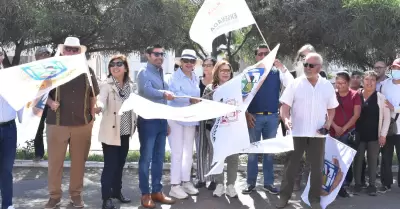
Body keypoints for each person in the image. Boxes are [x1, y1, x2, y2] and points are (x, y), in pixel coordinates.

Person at [44, 37, 100, 209]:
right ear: (62, 50)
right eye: (68, 49)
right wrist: (51, 103)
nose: (71, 52)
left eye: (75, 50)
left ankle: (76, 195)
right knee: (55, 163)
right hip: (57, 123)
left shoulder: (87, 70)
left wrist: (92, 114)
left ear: (80, 52)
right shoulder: (52, 69)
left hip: (82, 124)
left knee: (79, 163)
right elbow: (40, 92)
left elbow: (93, 95)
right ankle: (54, 196)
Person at [278, 53, 338, 209]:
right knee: (291, 167)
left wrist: (328, 124)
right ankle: (284, 197)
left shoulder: (326, 85)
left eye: (311, 65)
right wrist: (286, 120)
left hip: (318, 134)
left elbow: (331, 109)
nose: (307, 68)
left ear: (320, 68)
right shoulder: (295, 84)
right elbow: (284, 107)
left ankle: (315, 199)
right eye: (305, 64)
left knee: (317, 169)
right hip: (297, 133)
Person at [242, 44, 294, 195]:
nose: (263, 56)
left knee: (269, 152)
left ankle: (268, 183)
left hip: (272, 117)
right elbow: (243, 95)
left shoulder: (276, 72)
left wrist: (282, 67)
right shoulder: (250, 72)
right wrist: (246, 114)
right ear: (256, 56)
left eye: (266, 53)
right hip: (254, 117)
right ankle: (250, 183)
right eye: (260, 54)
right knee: (252, 152)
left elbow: (291, 85)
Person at [137, 44, 176, 208]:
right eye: (156, 54)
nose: (159, 57)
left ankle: (157, 192)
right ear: (148, 55)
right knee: (146, 159)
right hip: (147, 121)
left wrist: (166, 121)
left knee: (159, 158)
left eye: (162, 54)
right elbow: (146, 91)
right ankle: (145, 194)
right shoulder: (143, 73)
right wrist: (163, 93)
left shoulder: (161, 73)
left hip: (160, 121)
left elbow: (163, 102)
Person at [96, 55, 136, 209]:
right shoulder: (106, 85)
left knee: (120, 165)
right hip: (110, 133)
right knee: (110, 166)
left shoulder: (130, 86)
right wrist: (98, 107)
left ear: (125, 68)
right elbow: (101, 99)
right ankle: (106, 198)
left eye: (119, 64)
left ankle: (116, 192)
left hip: (125, 132)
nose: (115, 67)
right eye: (112, 64)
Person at [167, 49, 200, 199]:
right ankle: (175, 185)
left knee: (188, 152)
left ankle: (186, 181)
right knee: (177, 152)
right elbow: (171, 98)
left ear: (194, 64)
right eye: (186, 61)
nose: (188, 63)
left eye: (191, 61)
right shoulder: (173, 78)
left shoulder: (195, 77)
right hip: (175, 118)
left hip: (191, 118)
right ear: (180, 62)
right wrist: (189, 100)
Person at [202, 60, 239, 198]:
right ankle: (219, 184)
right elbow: (205, 108)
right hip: (214, 129)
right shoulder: (209, 88)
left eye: (228, 71)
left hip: (232, 128)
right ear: (217, 71)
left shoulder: (235, 87)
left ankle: (230, 186)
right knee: (217, 157)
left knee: (233, 158)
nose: (225, 73)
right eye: (222, 70)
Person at [353, 71, 390, 196]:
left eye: (373, 80)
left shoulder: (381, 97)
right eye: (367, 79)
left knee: (373, 160)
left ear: (376, 82)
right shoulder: (356, 95)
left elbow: (387, 118)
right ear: (363, 81)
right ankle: (357, 184)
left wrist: (383, 135)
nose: (369, 82)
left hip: (374, 135)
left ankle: (372, 185)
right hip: (358, 134)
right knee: (358, 159)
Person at [287, 44, 316, 191]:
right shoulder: (290, 76)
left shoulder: (321, 76)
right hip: (294, 123)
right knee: (294, 154)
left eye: (309, 57)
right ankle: (295, 181)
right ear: (298, 60)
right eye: (303, 57)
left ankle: (310, 183)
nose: (306, 61)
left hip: (314, 124)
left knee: (312, 155)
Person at [330, 71, 361, 197]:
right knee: (333, 160)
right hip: (332, 132)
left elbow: (356, 115)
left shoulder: (355, 95)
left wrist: (343, 128)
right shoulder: (332, 95)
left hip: (347, 133)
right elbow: (327, 112)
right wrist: (335, 126)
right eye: (337, 83)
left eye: (343, 83)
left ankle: (341, 186)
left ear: (348, 83)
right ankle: (331, 185)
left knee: (344, 161)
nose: (340, 85)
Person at [0, 65, 23, 209]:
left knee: (6, 169)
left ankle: (7, 204)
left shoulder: (12, 78)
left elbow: (21, 99)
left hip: (9, 129)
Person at [379, 58, 400, 193]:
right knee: (385, 157)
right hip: (387, 127)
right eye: (394, 68)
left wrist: (395, 108)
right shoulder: (384, 84)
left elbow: (392, 106)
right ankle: (386, 183)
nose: (395, 70)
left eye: (398, 68)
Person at [195, 57, 216, 189]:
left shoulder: (217, 83)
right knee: (201, 148)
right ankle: (201, 178)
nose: (206, 67)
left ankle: (213, 179)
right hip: (201, 119)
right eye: (205, 65)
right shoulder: (198, 82)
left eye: (209, 65)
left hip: (214, 120)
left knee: (213, 149)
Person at [33, 47, 52, 162]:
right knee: (38, 129)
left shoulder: (54, 69)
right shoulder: (33, 70)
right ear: (37, 57)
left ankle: (55, 153)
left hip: (51, 103)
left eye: (46, 55)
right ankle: (38, 154)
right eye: (42, 55)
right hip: (38, 103)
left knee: (52, 129)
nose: (45, 57)